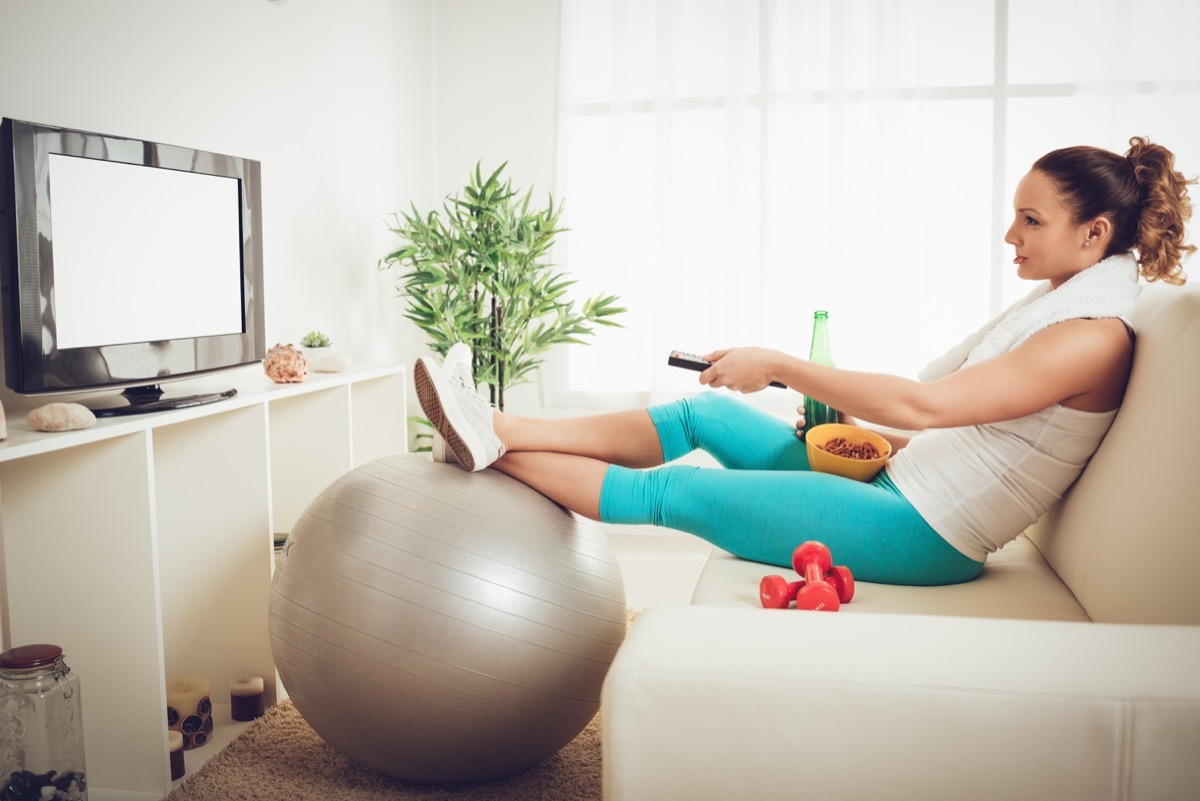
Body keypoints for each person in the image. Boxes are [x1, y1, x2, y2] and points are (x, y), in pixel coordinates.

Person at [413, 137, 1194, 586]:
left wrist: (780, 363)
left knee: (677, 492)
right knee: (702, 411)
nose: (1010, 236)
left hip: (926, 533)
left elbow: (927, 405)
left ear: (1094, 235)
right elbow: (977, 440)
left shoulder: (1090, 336)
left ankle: (487, 445)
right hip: (902, 483)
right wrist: (858, 439)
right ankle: (497, 422)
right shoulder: (1065, 312)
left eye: (1031, 220)